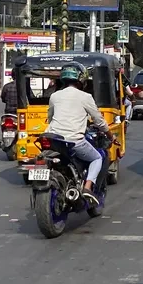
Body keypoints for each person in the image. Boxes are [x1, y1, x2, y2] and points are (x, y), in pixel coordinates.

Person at [46, 63, 114, 206]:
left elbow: (51, 117)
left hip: (53, 138)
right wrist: (110, 135)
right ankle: (88, 188)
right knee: (97, 158)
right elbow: (99, 121)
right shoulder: (85, 97)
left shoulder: (54, 96)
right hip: (74, 141)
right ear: (81, 80)